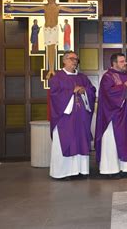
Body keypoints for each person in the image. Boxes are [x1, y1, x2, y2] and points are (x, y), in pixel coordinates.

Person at [8, 0, 94, 79]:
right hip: (47, 29)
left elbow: (72, 10)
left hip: (54, 29)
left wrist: (86, 9)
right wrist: (14, 8)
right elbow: (29, 9)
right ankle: (51, 69)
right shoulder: (44, 7)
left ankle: (52, 69)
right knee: (49, 49)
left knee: (52, 48)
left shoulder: (58, 7)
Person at [49, 51, 96, 179]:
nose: (74, 61)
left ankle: (80, 171)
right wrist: (71, 91)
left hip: (81, 119)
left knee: (80, 142)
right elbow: (54, 96)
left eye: (76, 59)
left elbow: (92, 90)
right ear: (64, 61)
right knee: (66, 142)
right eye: (71, 59)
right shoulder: (57, 77)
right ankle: (63, 173)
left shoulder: (82, 77)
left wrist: (84, 91)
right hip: (64, 119)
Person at [95, 53, 127, 176]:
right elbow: (107, 94)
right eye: (122, 61)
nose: (125, 63)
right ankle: (111, 169)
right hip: (114, 116)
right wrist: (123, 87)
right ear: (114, 63)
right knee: (112, 142)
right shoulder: (108, 77)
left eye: (125, 61)